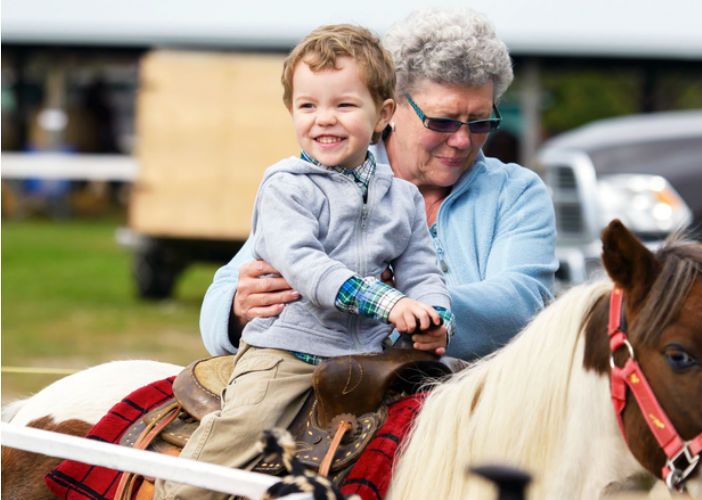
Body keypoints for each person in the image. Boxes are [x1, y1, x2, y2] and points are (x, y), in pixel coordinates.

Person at [155, 24, 451, 500]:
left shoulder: (403, 198)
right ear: (291, 111)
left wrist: (437, 317)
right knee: (243, 429)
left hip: (373, 357)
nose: (324, 120)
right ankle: (179, 493)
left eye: (345, 105)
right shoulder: (285, 186)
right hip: (287, 352)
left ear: (383, 114)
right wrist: (388, 302)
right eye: (308, 106)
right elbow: (305, 266)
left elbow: (422, 269)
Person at [200, 7, 558, 362]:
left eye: (480, 122)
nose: (463, 140)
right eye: (443, 121)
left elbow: (521, 304)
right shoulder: (314, 182)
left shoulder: (516, 193)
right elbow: (219, 302)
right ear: (392, 109)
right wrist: (240, 310)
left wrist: (402, 306)